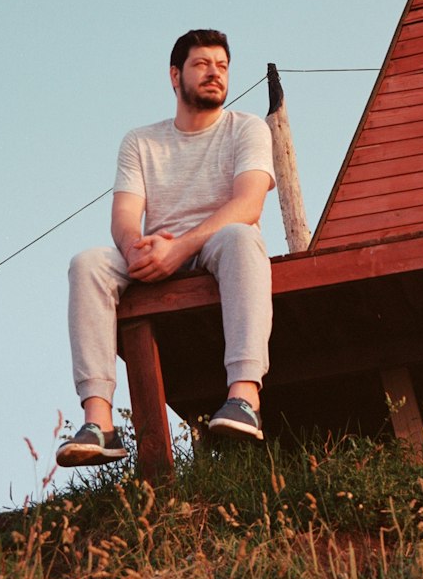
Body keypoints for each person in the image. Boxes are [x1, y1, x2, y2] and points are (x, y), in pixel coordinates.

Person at [56, 28, 276, 468]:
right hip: (156, 250)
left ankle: (244, 397)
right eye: (202, 64)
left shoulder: (247, 128)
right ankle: (100, 422)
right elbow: (123, 216)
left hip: (215, 242)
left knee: (241, 235)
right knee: (88, 264)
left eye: (222, 66)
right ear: (175, 76)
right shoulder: (141, 141)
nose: (215, 73)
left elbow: (248, 204)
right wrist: (134, 248)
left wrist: (183, 247)